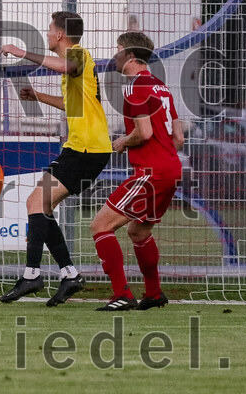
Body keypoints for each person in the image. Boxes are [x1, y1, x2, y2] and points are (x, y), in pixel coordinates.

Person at [0, 11, 112, 306]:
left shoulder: (78, 54)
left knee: (36, 203)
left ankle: (32, 274)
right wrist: (38, 96)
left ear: (60, 34)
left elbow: (66, 65)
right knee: (41, 206)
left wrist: (22, 52)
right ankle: (69, 274)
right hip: (84, 149)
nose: (47, 34)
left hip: (86, 149)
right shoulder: (76, 64)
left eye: (49, 29)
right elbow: (72, 105)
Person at [90, 31, 184, 311]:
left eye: (118, 49)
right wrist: (161, 154)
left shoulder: (134, 88)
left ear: (130, 56)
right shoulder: (161, 87)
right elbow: (178, 137)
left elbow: (143, 133)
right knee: (139, 233)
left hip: (151, 171)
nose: (115, 55)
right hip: (171, 169)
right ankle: (153, 294)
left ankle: (122, 295)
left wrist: (123, 141)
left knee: (100, 226)